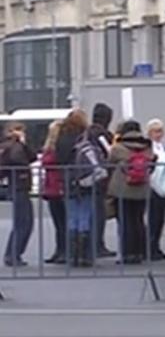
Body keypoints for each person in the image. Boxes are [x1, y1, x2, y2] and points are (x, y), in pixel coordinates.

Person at [108, 120, 154, 264]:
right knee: (138, 219)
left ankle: (127, 253)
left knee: (125, 221)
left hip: (123, 189)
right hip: (142, 188)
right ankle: (139, 252)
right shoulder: (147, 147)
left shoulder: (118, 148)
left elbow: (109, 163)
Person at [56, 110, 94, 267]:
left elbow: (59, 159)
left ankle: (72, 255)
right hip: (85, 179)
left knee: (72, 217)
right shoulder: (85, 137)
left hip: (68, 180)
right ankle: (84, 255)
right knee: (84, 215)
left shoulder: (61, 139)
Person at [2, 122, 37, 267]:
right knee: (24, 222)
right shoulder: (13, 146)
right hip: (19, 185)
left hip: (18, 185)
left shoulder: (11, 145)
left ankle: (12, 254)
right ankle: (13, 254)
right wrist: (22, 143)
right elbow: (22, 159)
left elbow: (32, 157)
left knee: (22, 222)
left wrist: (24, 144)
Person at [87, 102, 115, 258]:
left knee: (91, 212)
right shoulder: (102, 134)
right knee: (99, 212)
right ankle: (98, 245)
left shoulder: (86, 132)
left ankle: (92, 244)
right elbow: (109, 152)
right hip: (101, 177)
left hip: (88, 175)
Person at [146, 118, 165, 261]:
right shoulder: (150, 147)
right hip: (153, 183)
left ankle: (156, 245)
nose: (159, 134)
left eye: (160, 131)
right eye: (155, 131)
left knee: (161, 218)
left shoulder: (163, 147)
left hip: (163, 183)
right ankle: (151, 246)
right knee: (153, 218)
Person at [42, 120, 66, 265]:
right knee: (59, 222)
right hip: (53, 187)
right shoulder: (52, 148)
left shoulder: (56, 148)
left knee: (61, 222)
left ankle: (62, 251)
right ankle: (59, 250)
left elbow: (49, 161)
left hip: (57, 187)